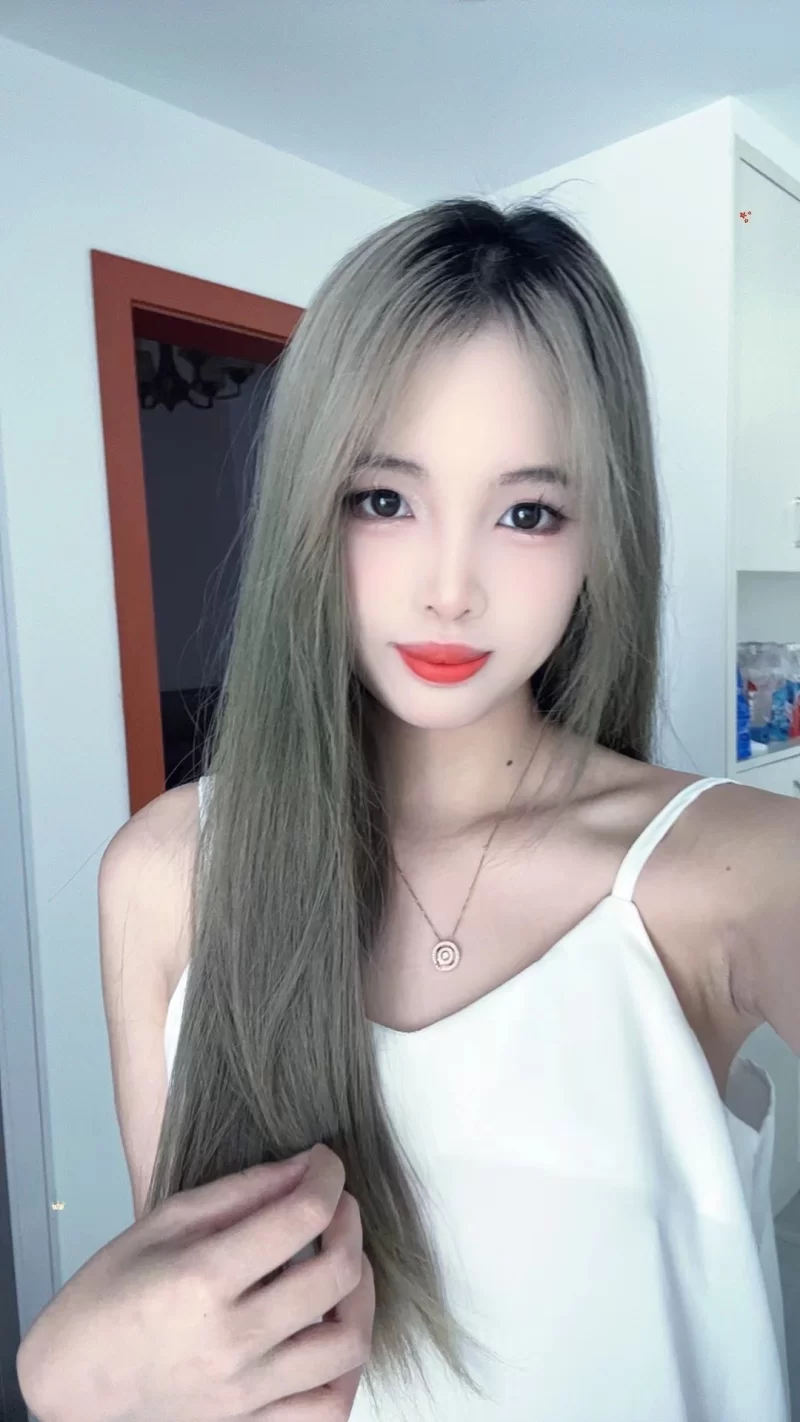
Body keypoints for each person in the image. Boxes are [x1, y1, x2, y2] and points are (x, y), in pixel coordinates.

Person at [17, 195, 799, 1421]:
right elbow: (213, 1361)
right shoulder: (166, 874)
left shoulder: (731, 871)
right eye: (383, 499)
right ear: (309, 504)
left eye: (525, 513)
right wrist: (63, 1383)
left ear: (599, 536)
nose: (448, 588)